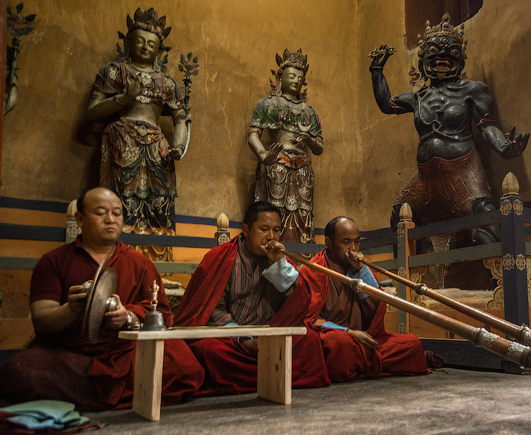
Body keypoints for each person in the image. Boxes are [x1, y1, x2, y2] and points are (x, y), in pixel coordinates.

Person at [0, 187, 204, 409]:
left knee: (185, 366)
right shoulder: (53, 261)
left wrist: (128, 316)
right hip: (73, 355)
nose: (111, 219)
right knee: (23, 369)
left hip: (125, 351)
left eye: (117, 213)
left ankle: (85, 394)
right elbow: (41, 320)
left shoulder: (140, 263)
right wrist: (71, 309)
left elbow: (163, 315)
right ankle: (120, 391)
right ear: (80, 218)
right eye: (100, 212)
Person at [369, 13, 529, 244]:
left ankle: (499, 280)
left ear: (459, 58)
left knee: (486, 223)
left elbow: (486, 126)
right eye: (434, 53)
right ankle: (407, 277)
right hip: (425, 176)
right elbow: (387, 105)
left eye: (449, 53)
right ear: (424, 59)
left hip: (463, 169)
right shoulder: (418, 96)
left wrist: (504, 147)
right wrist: (377, 71)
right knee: (400, 217)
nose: (441, 58)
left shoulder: (473, 90)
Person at [174, 201, 330, 395]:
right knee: (207, 349)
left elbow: (298, 301)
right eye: (264, 229)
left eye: (276, 230)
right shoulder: (220, 258)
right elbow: (213, 309)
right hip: (232, 340)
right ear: (246, 230)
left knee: (311, 341)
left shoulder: (281, 259)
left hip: (270, 338)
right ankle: (270, 376)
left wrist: (280, 266)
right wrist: (245, 338)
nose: (271, 237)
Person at [88, 7, 187, 261]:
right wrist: (124, 98)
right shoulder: (113, 72)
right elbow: (93, 111)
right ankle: (118, 258)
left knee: (159, 202)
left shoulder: (167, 83)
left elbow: (180, 119)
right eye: (140, 41)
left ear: (159, 50)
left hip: (158, 147)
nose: (145, 47)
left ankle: (157, 262)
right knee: (124, 200)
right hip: (123, 139)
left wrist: (179, 146)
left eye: (152, 44)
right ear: (128, 42)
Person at [300, 216, 429, 382]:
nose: (353, 249)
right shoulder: (312, 270)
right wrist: (349, 332)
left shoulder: (359, 268)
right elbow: (309, 319)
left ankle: (357, 364)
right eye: (346, 242)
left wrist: (362, 270)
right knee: (339, 345)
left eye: (357, 242)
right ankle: (365, 363)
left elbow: (376, 308)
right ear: (329, 243)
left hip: (363, 340)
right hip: (335, 338)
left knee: (412, 344)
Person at [248, 49, 323, 244]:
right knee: (275, 210)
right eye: (291, 76)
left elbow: (319, 147)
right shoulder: (268, 104)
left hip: (303, 169)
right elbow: (253, 135)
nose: (296, 80)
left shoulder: (310, 112)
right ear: (280, 78)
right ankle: (273, 250)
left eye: (300, 77)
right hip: (277, 164)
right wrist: (264, 156)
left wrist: (308, 140)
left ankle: (301, 253)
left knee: (303, 212)